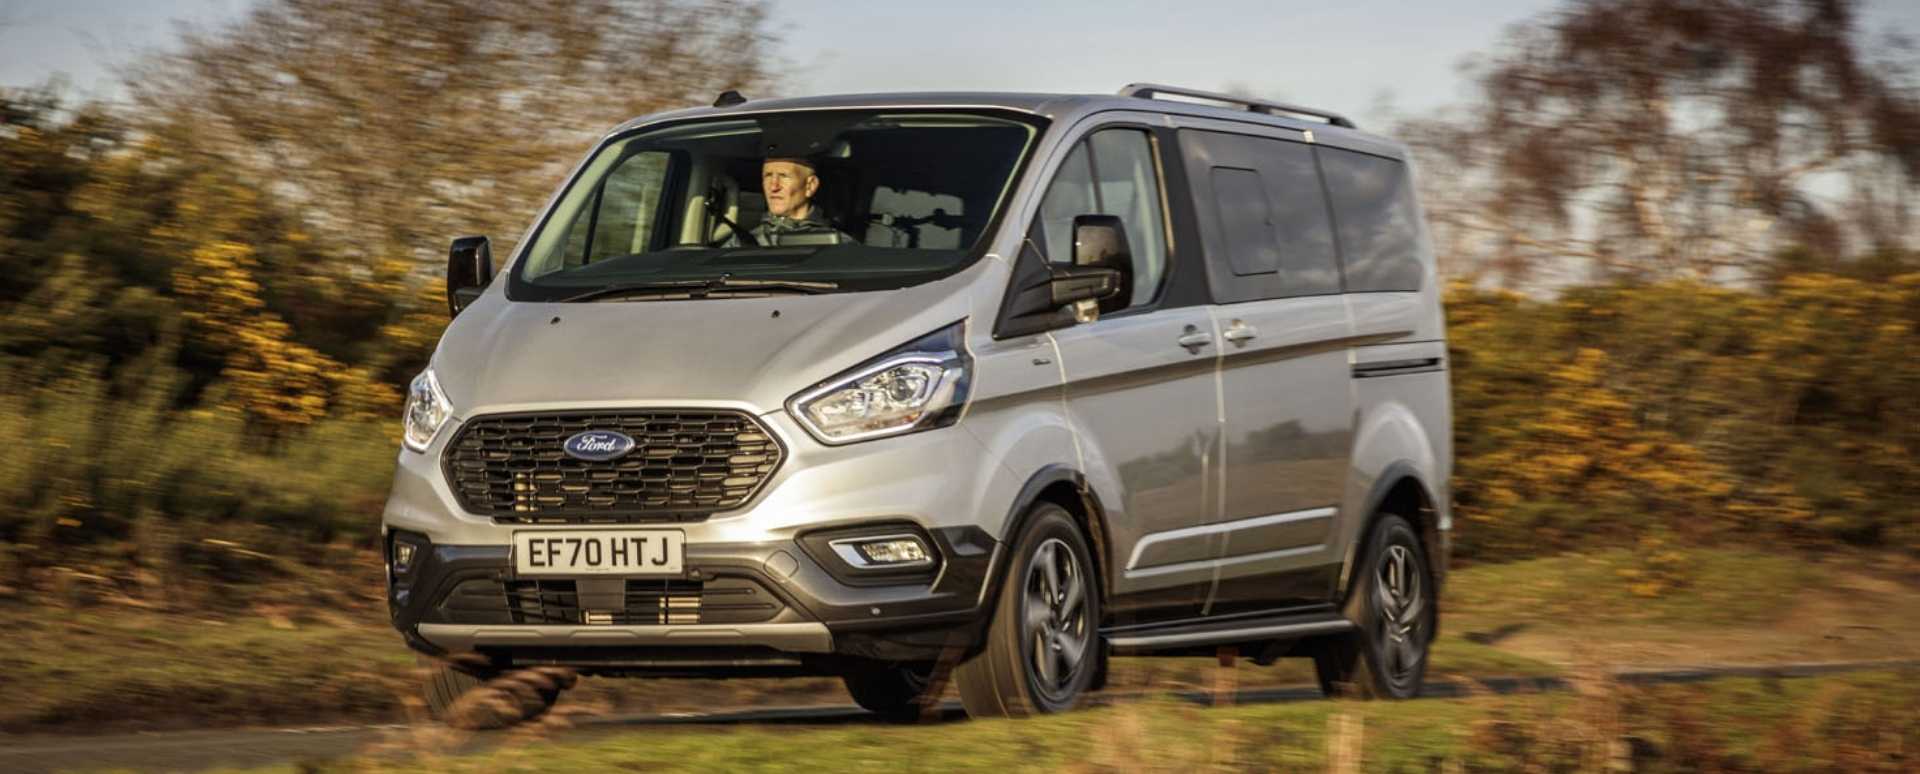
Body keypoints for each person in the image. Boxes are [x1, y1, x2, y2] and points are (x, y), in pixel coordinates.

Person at [730, 157, 856, 246]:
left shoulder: (840, 245)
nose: (773, 187)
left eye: (784, 176)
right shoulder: (741, 243)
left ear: (810, 186)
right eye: (768, 176)